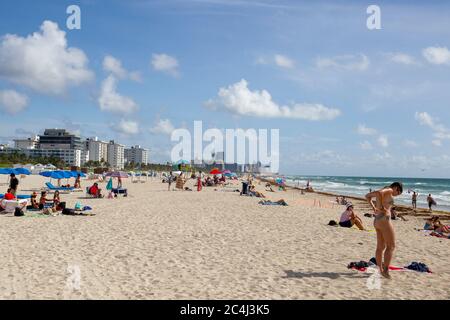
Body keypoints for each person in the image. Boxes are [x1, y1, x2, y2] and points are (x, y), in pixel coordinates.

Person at [365, 182, 403, 279]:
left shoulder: (385, 191)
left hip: (377, 220)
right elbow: (379, 193)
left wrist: (374, 207)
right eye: (398, 193)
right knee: (391, 246)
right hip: (384, 220)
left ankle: (380, 270)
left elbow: (367, 196)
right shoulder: (389, 190)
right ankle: (385, 271)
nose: (396, 195)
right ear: (396, 188)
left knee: (380, 247)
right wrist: (381, 208)